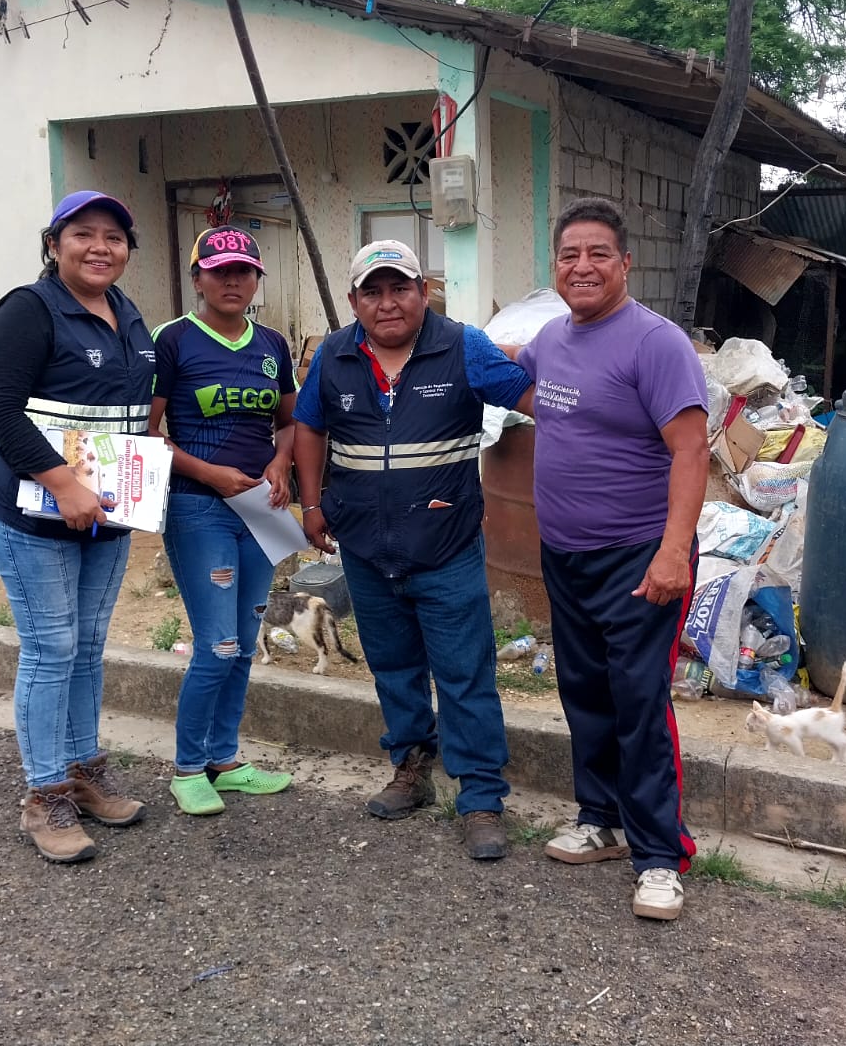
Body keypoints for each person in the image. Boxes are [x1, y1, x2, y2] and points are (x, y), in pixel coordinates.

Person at [292, 241, 534, 861]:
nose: (388, 303)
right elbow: (309, 426)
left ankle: (480, 797)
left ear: (423, 292)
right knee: (394, 668)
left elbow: (531, 398)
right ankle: (412, 768)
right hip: (366, 549)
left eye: (400, 288)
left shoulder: (463, 346)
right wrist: (312, 505)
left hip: (446, 546)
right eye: (372, 292)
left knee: (464, 675)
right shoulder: (334, 356)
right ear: (354, 301)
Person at [516, 196, 709, 920]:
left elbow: (692, 450)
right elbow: (533, 394)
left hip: (638, 557)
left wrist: (672, 553)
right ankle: (598, 818)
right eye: (569, 254)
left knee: (639, 701)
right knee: (585, 691)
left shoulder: (655, 342)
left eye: (598, 253)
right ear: (555, 267)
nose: (583, 266)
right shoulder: (551, 338)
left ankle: (659, 855)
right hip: (566, 554)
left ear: (625, 263)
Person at [0, 190, 156, 864]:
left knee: (86, 646)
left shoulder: (127, 313)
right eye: (84, 234)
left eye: (114, 237)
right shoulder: (28, 309)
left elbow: (126, 409)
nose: (100, 247)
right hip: (35, 514)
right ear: (54, 245)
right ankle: (44, 795)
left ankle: (84, 773)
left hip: (105, 514)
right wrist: (61, 482)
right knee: (51, 648)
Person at [148, 226, 297, 816]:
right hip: (197, 507)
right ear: (198, 279)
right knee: (217, 644)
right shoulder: (173, 340)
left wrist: (281, 463)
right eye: (219, 271)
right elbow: (146, 433)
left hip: (259, 510)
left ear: (257, 279)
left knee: (244, 643)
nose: (232, 281)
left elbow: (289, 420)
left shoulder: (273, 344)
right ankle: (188, 767)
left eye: (243, 271)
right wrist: (208, 473)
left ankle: (226, 760)